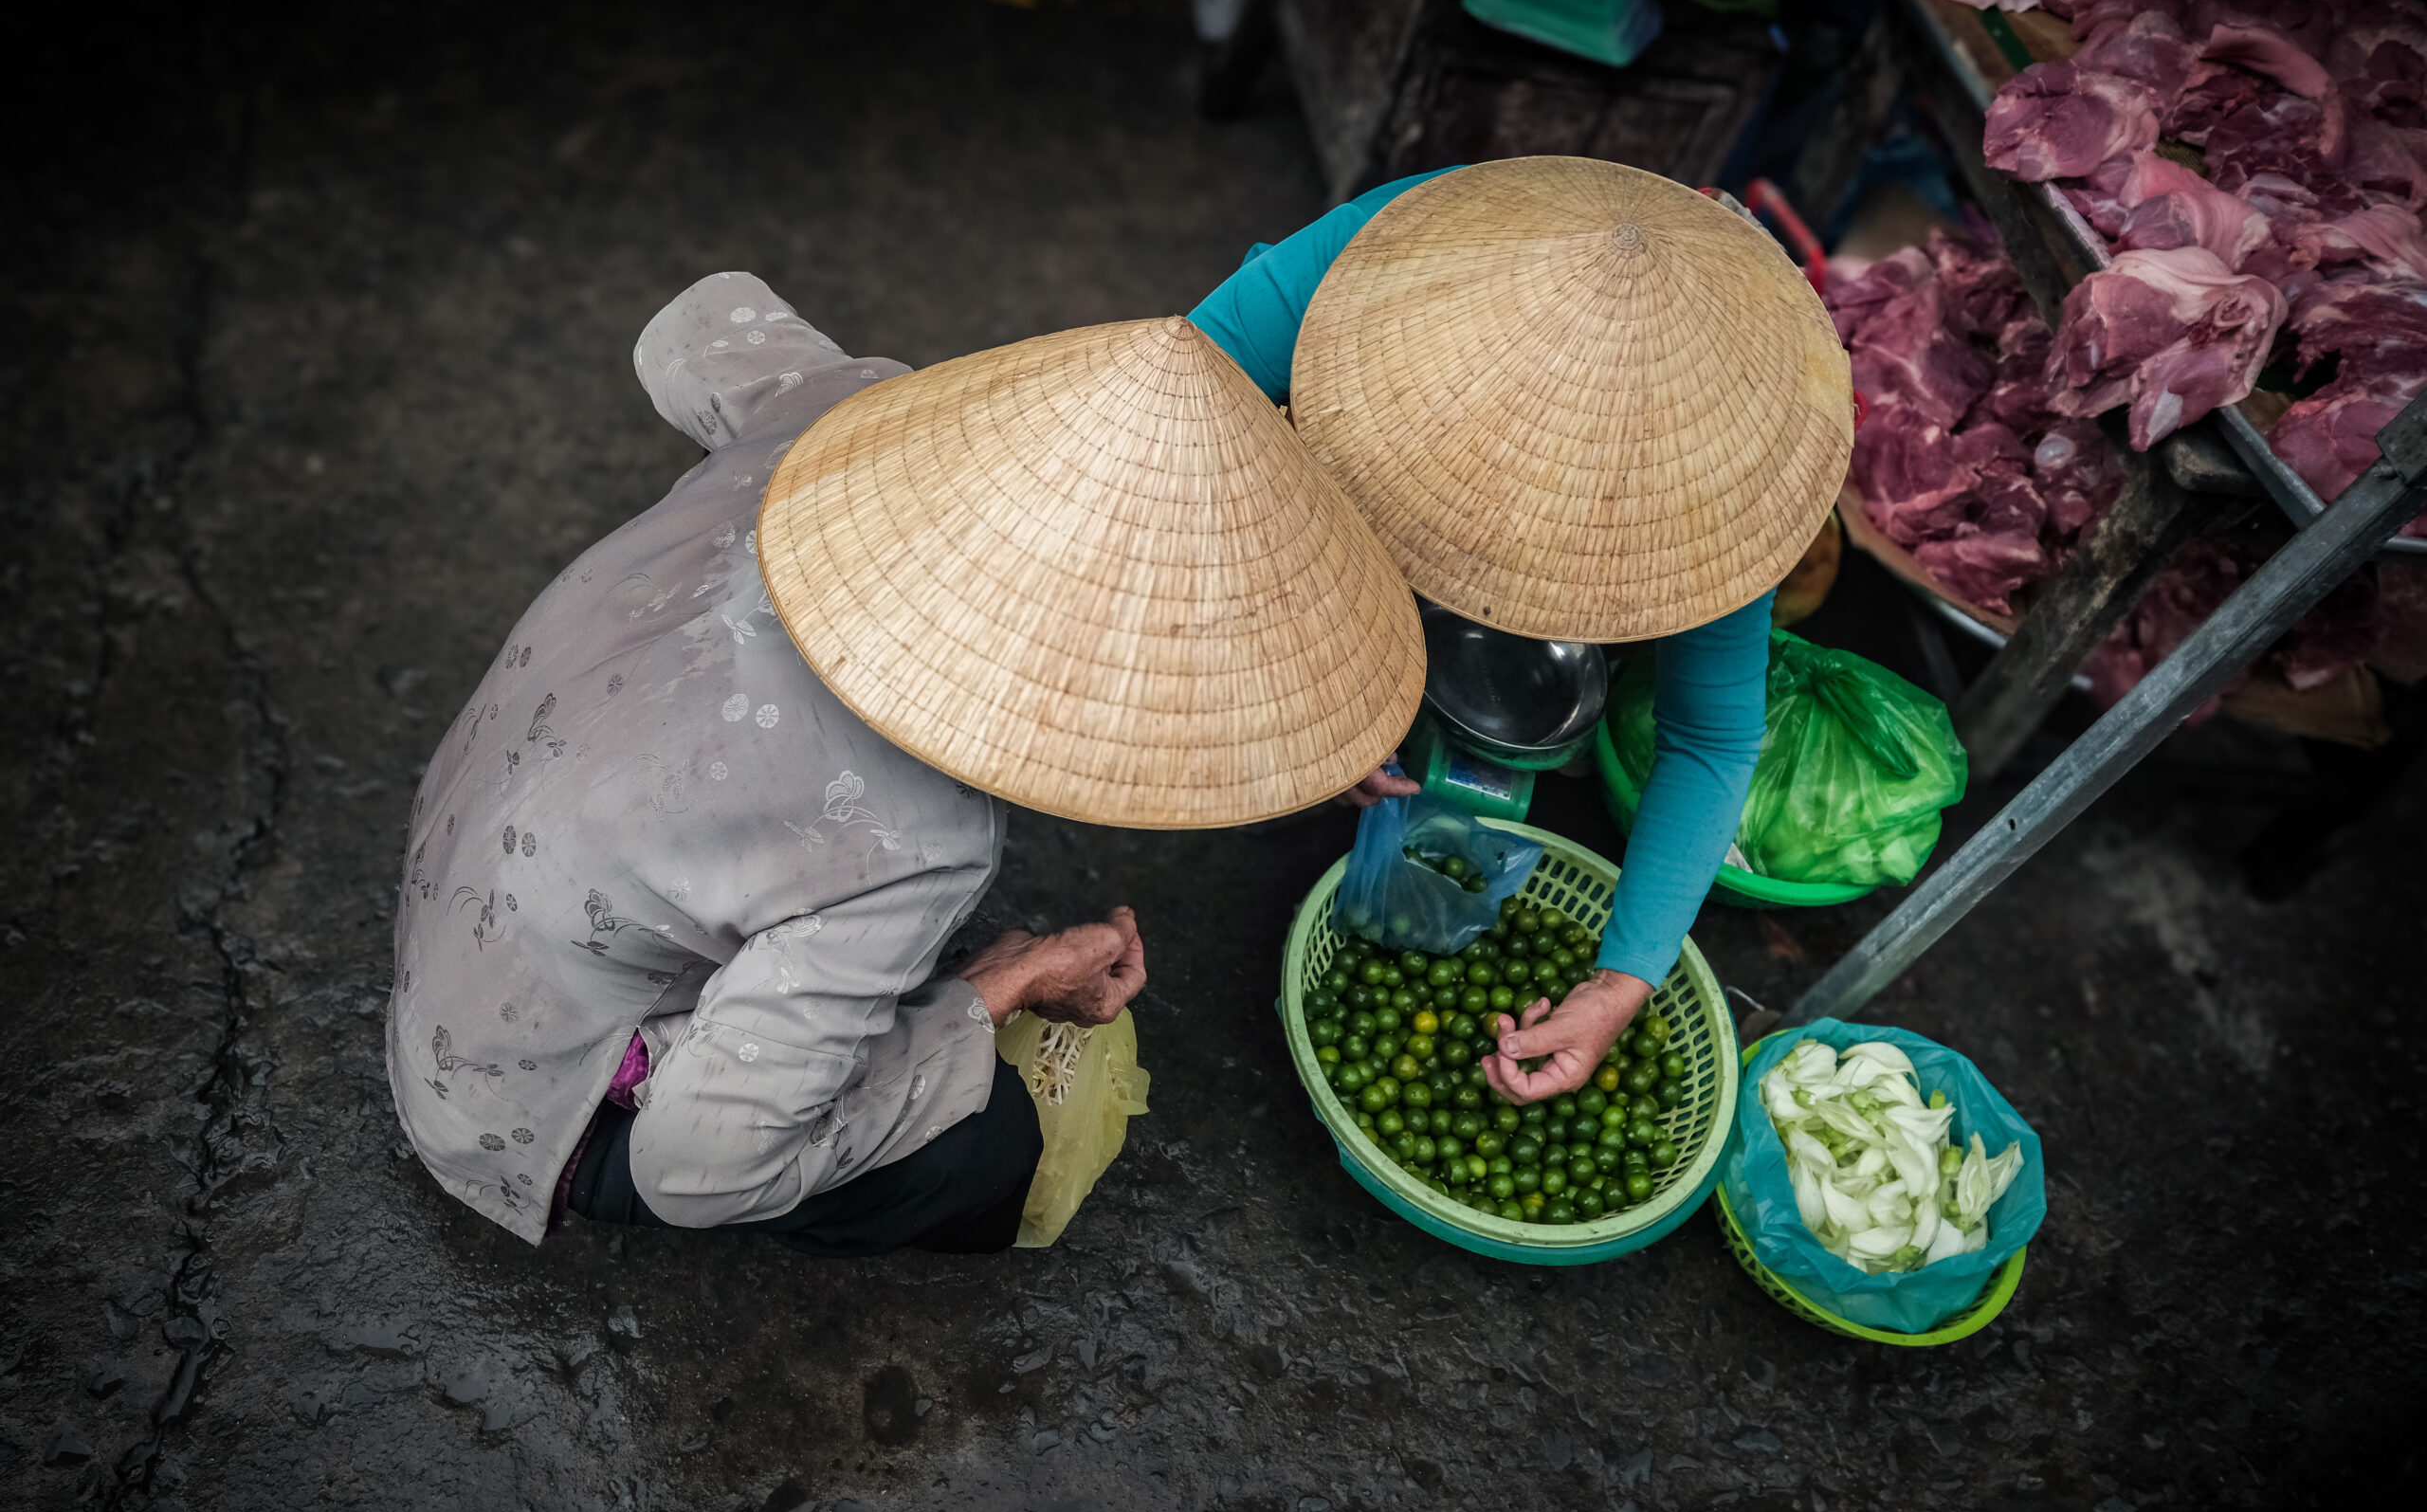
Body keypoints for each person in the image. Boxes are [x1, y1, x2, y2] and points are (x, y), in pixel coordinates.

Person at [388, 277, 1424, 1254]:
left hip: (481, 872)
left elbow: (692, 326)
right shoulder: (914, 836)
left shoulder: (851, 421)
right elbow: (694, 1172)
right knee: (987, 1152)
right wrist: (1002, 982)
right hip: (507, 1097)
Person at [1189, 156, 1852, 1108]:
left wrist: (1623, 979)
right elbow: (1174, 426)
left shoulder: (1727, 475)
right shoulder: (1384, 256)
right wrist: (1292, 688)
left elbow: (1710, 739)